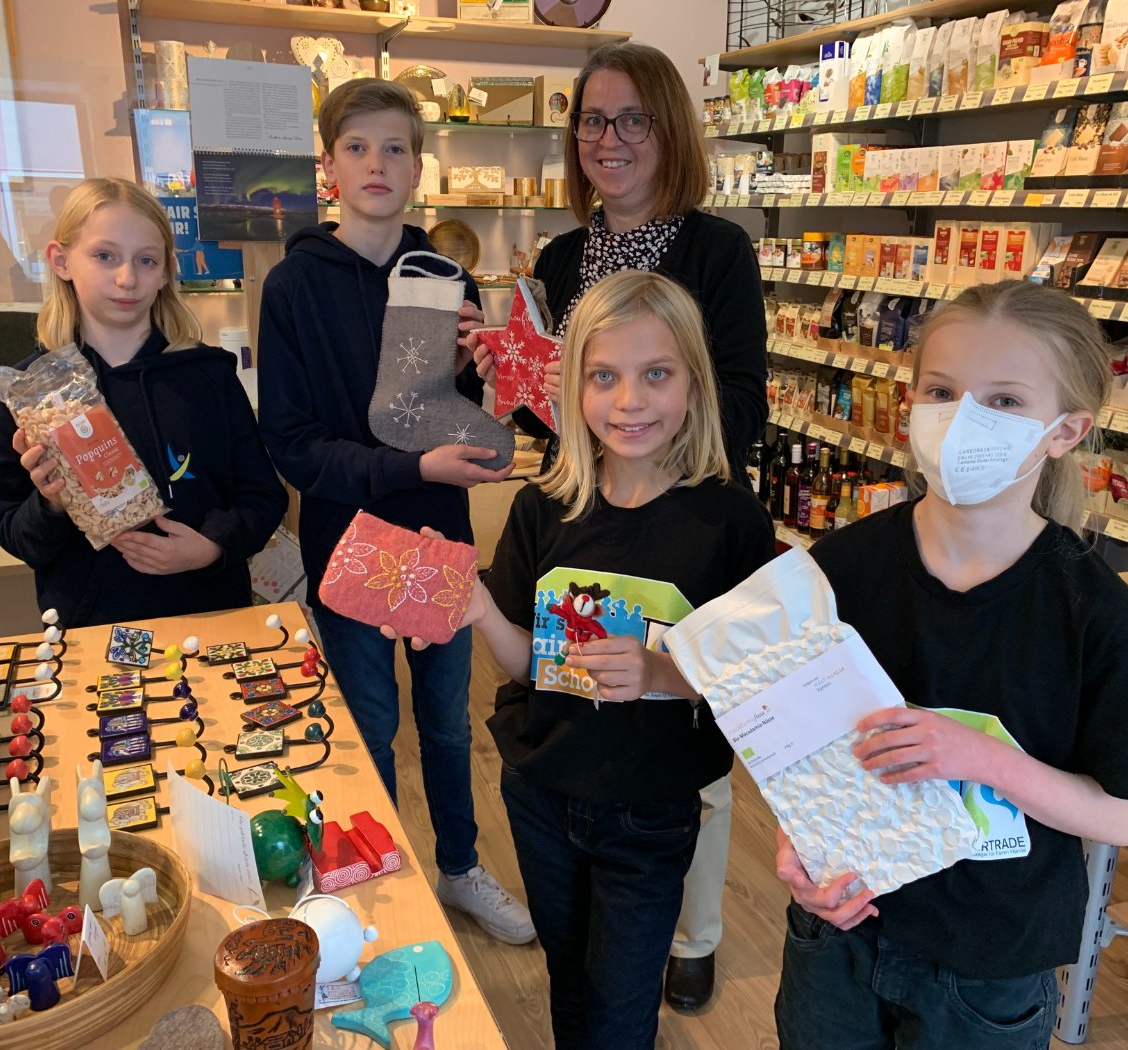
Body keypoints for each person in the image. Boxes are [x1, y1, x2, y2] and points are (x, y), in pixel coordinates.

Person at [775, 280, 1128, 1050]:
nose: (961, 421)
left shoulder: (1097, 613)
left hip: (990, 961)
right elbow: (796, 743)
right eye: (942, 392)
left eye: (1005, 401)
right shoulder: (841, 566)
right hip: (841, 929)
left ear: (1066, 430)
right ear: (911, 400)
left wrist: (977, 757)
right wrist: (796, 850)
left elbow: (1121, 816)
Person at [474, 41, 769, 1008]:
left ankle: (693, 934)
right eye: (592, 120)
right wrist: (520, 382)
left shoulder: (716, 250)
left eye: (633, 117)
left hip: (681, 511)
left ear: (669, 129)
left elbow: (740, 401)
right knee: (587, 693)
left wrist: (659, 455)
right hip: (590, 511)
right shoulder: (563, 256)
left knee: (680, 740)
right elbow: (562, 411)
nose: (610, 138)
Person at [427, 270, 775, 1048]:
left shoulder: (729, 524)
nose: (629, 401)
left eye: (657, 374)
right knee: (569, 981)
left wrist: (659, 673)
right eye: (604, 376)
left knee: (620, 1011)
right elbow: (528, 665)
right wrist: (481, 610)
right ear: (572, 385)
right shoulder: (542, 509)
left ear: (695, 381)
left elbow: (753, 680)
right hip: (543, 792)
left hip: (650, 808)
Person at [256, 78, 533, 946]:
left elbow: (464, 419)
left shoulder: (447, 279)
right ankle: (379, 881)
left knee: (447, 720)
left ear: (419, 166)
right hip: (349, 542)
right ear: (329, 166)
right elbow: (292, 445)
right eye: (357, 147)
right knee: (370, 723)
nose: (377, 163)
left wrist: (485, 375)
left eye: (395, 148)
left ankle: (458, 868)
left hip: (439, 535)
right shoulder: (294, 286)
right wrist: (411, 465)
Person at [0, 177, 287, 628]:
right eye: (104, 256)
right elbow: (15, 534)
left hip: (212, 615)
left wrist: (211, 547)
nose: (127, 279)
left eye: (146, 260)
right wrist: (53, 502)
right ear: (61, 260)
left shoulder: (208, 376)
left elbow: (263, 497)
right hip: (92, 628)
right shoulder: (34, 395)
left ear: (166, 271)